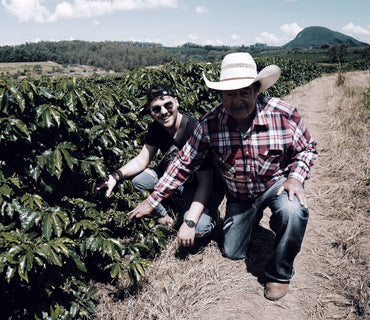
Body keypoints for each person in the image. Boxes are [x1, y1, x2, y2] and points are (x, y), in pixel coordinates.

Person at [129, 52, 318, 301]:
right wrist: (152, 201)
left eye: (243, 92)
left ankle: (279, 273)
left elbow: (307, 148)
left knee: (293, 211)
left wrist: (295, 177)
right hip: (240, 196)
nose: (237, 100)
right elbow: (184, 163)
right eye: (230, 93)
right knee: (232, 251)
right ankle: (253, 222)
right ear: (221, 95)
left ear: (256, 90)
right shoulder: (210, 123)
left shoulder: (282, 113)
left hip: (275, 184)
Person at [97, 83, 223, 247]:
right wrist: (115, 176)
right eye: (156, 109)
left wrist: (190, 223)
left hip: (201, 185)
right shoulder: (157, 128)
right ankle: (170, 210)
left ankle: (211, 216)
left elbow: (205, 184)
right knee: (139, 180)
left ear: (176, 102)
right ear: (151, 112)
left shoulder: (194, 129)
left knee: (199, 226)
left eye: (168, 105)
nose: (163, 112)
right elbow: (141, 160)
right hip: (175, 179)